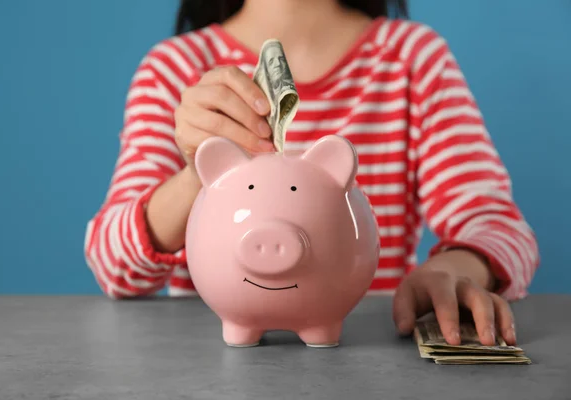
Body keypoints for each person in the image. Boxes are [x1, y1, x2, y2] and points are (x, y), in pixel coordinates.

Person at [84, 0, 539, 347]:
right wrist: (195, 174)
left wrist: (455, 268)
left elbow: (501, 227)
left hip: (364, 351)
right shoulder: (175, 70)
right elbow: (111, 265)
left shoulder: (411, 61)